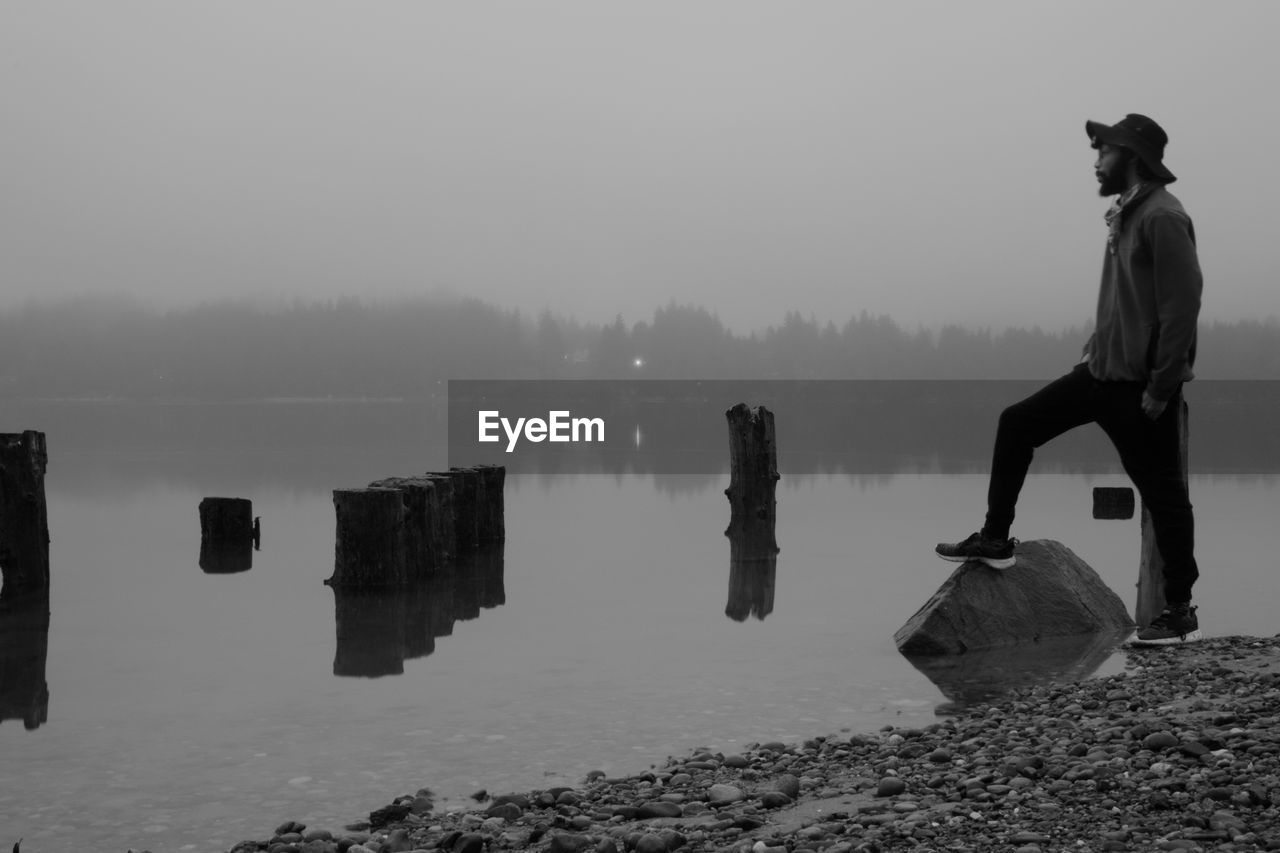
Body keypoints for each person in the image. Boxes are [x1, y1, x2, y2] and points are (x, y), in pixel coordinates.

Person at [935, 113, 1203, 646]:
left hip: (1140, 389)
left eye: (1105, 151)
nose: (1096, 160)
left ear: (1133, 157)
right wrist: (1096, 345)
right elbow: (1127, 302)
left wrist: (1162, 386)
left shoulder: (1164, 218)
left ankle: (1179, 609)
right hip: (1098, 373)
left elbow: (1182, 308)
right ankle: (995, 539)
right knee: (1017, 423)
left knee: (1163, 494)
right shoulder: (1126, 214)